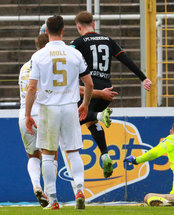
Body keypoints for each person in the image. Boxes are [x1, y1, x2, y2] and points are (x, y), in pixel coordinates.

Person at [70, 11, 152, 178]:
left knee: (71, 119)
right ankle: (105, 154)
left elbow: (65, 58)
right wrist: (143, 78)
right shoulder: (108, 40)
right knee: (90, 122)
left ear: (78, 27)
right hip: (108, 89)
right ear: (93, 24)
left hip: (90, 89)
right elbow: (125, 59)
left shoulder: (76, 43)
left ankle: (100, 116)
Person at [25, 15, 94, 210]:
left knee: (48, 155)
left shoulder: (38, 56)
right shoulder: (74, 54)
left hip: (48, 109)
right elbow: (88, 83)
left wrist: (28, 114)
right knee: (73, 152)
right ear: (63, 31)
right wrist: (86, 103)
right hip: (70, 106)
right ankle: (80, 188)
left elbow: (31, 88)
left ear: (46, 32)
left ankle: (53, 200)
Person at [18, 34, 52, 208]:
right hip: (43, 113)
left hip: (24, 115)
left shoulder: (24, 67)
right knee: (50, 155)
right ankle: (52, 196)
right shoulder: (46, 64)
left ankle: (36, 185)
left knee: (33, 156)